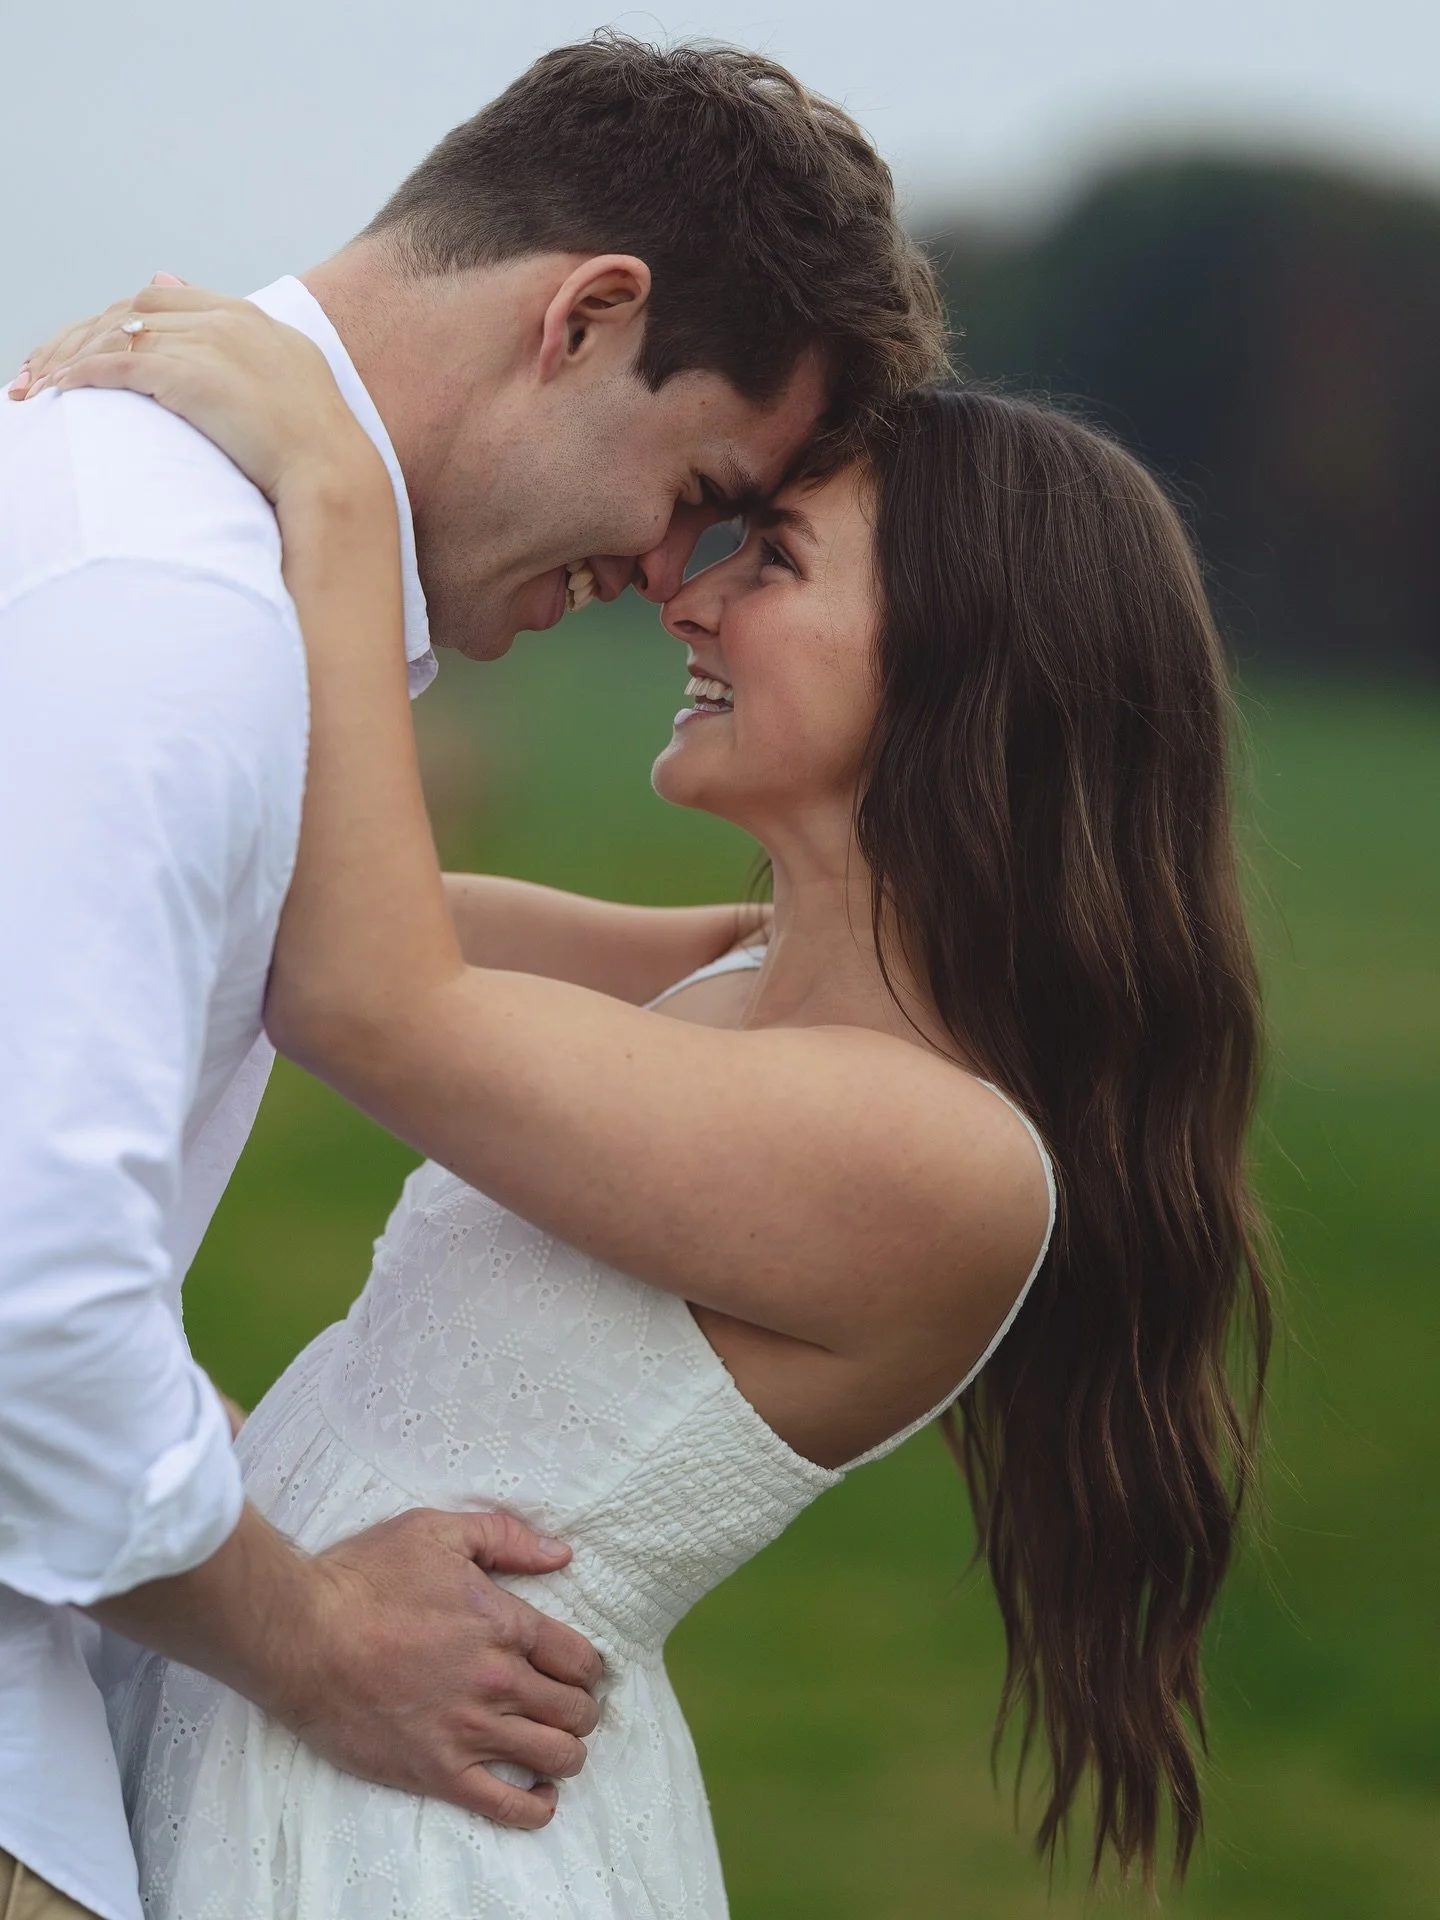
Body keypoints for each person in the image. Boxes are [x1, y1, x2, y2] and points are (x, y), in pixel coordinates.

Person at [19, 283, 1273, 1916]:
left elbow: (367, 995)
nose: (686, 597)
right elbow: (260, 910)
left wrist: (337, 493)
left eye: (774, 558)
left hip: (416, 1841)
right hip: (313, 1708)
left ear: (968, 669)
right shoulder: (717, 979)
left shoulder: (947, 1158)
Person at [0, 37, 945, 1920]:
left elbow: (380, 943)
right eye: (702, 486)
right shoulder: (175, 616)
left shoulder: (173, 555)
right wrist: (309, 1634)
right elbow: (28, 1280)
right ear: (588, 319)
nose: (676, 573)